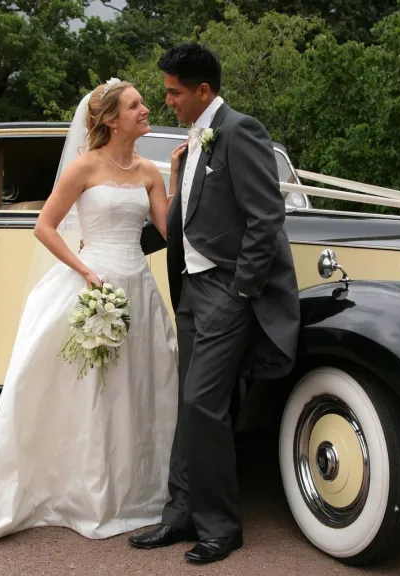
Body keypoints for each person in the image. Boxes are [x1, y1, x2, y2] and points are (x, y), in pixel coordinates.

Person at [0, 79, 181, 550]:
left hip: (138, 290)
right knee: (86, 392)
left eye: (143, 102)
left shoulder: (149, 172)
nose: (146, 109)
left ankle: (137, 492)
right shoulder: (84, 166)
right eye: (135, 104)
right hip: (92, 284)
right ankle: (81, 492)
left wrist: (179, 178)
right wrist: (86, 271)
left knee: (138, 387)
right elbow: (46, 227)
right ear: (109, 118)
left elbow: (169, 230)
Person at [129, 43, 300, 564]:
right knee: (190, 403)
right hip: (193, 289)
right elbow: (195, 212)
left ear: (203, 90)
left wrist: (243, 289)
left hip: (229, 291)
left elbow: (266, 217)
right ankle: (180, 513)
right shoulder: (196, 137)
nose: (167, 101)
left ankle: (222, 525)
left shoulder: (240, 130)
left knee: (205, 403)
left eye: (174, 92)